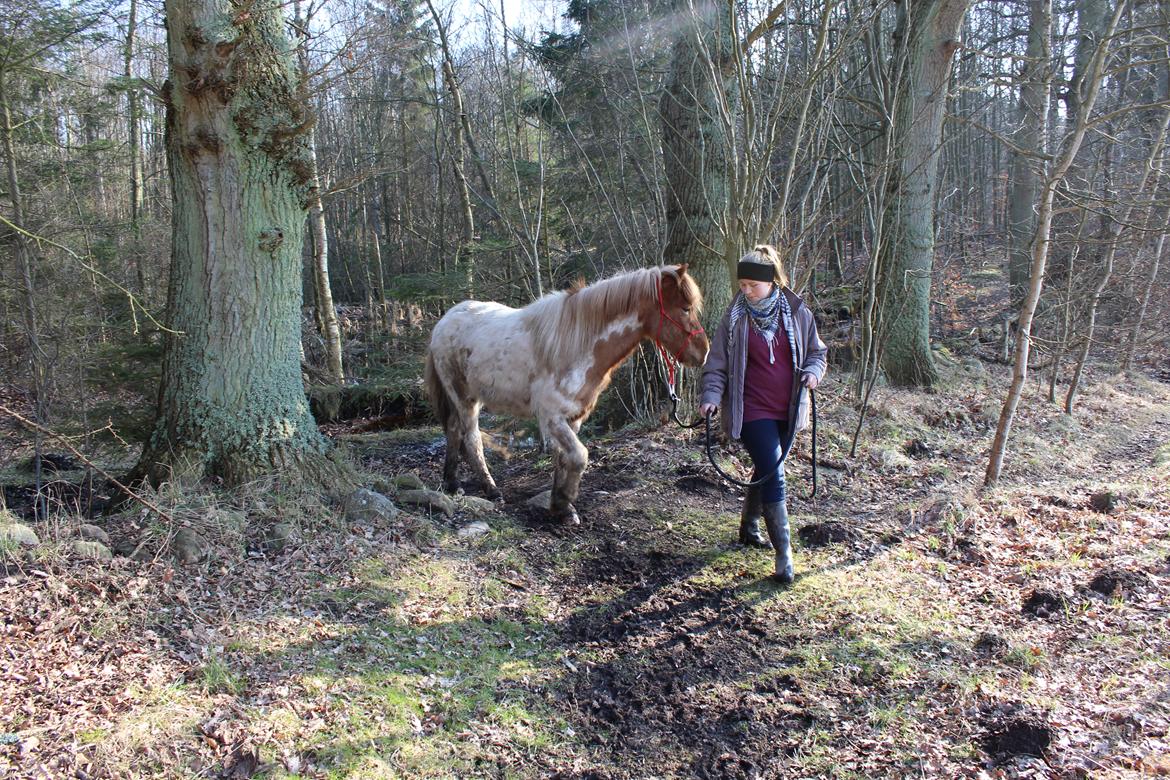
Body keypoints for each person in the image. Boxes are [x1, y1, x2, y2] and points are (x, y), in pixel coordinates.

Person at [699, 245, 828, 583]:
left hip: (788, 408)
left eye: (752, 285)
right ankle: (784, 555)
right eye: (742, 285)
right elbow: (717, 363)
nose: (746, 291)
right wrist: (711, 396)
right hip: (751, 408)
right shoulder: (734, 317)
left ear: (770, 282)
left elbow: (817, 353)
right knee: (773, 468)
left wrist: (813, 373)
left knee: (767, 467)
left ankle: (748, 525)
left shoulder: (797, 312)